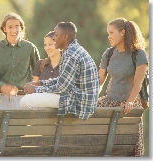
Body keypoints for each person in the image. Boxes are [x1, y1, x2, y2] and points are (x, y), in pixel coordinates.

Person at [20, 22, 100, 120]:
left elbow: (62, 88)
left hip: (79, 103)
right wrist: (40, 83)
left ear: (65, 37)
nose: (53, 38)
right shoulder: (74, 50)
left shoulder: (70, 55)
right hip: (80, 100)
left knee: (25, 101)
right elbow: (63, 80)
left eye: (56, 35)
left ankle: (42, 132)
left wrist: (36, 90)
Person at [97, 18, 148, 157]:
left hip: (128, 102)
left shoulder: (139, 54)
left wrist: (130, 101)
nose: (109, 36)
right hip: (110, 99)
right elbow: (99, 81)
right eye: (108, 33)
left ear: (123, 32)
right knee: (88, 110)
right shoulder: (108, 54)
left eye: (112, 33)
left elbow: (138, 83)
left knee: (132, 145)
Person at [0, 13, 40, 108]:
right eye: (10, 27)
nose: (14, 30)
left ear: (21, 28)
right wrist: (1, 85)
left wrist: (32, 88)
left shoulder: (30, 48)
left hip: (23, 98)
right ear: (4, 29)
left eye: (17, 26)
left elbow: (39, 72)